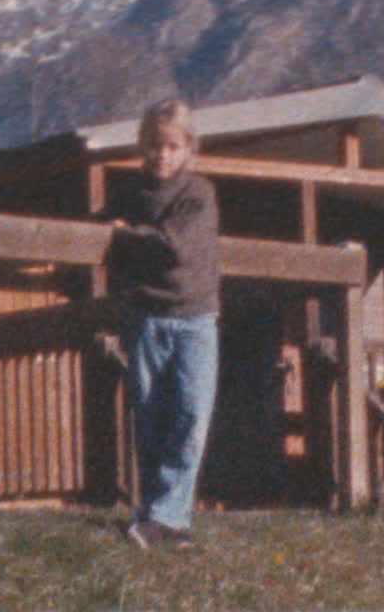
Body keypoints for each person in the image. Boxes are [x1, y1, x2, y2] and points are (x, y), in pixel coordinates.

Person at [105, 98, 220, 549]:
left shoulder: (198, 194)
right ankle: (159, 518)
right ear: (142, 147)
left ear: (189, 147)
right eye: (154, 146)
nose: (162, 155)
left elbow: (176, 248)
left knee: (191, 415)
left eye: (172, 146)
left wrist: (126, 235)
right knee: (150, 417)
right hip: (147, 319)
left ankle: (169, 515)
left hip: (196, 318)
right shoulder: (130, 195)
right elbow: (103, 228)